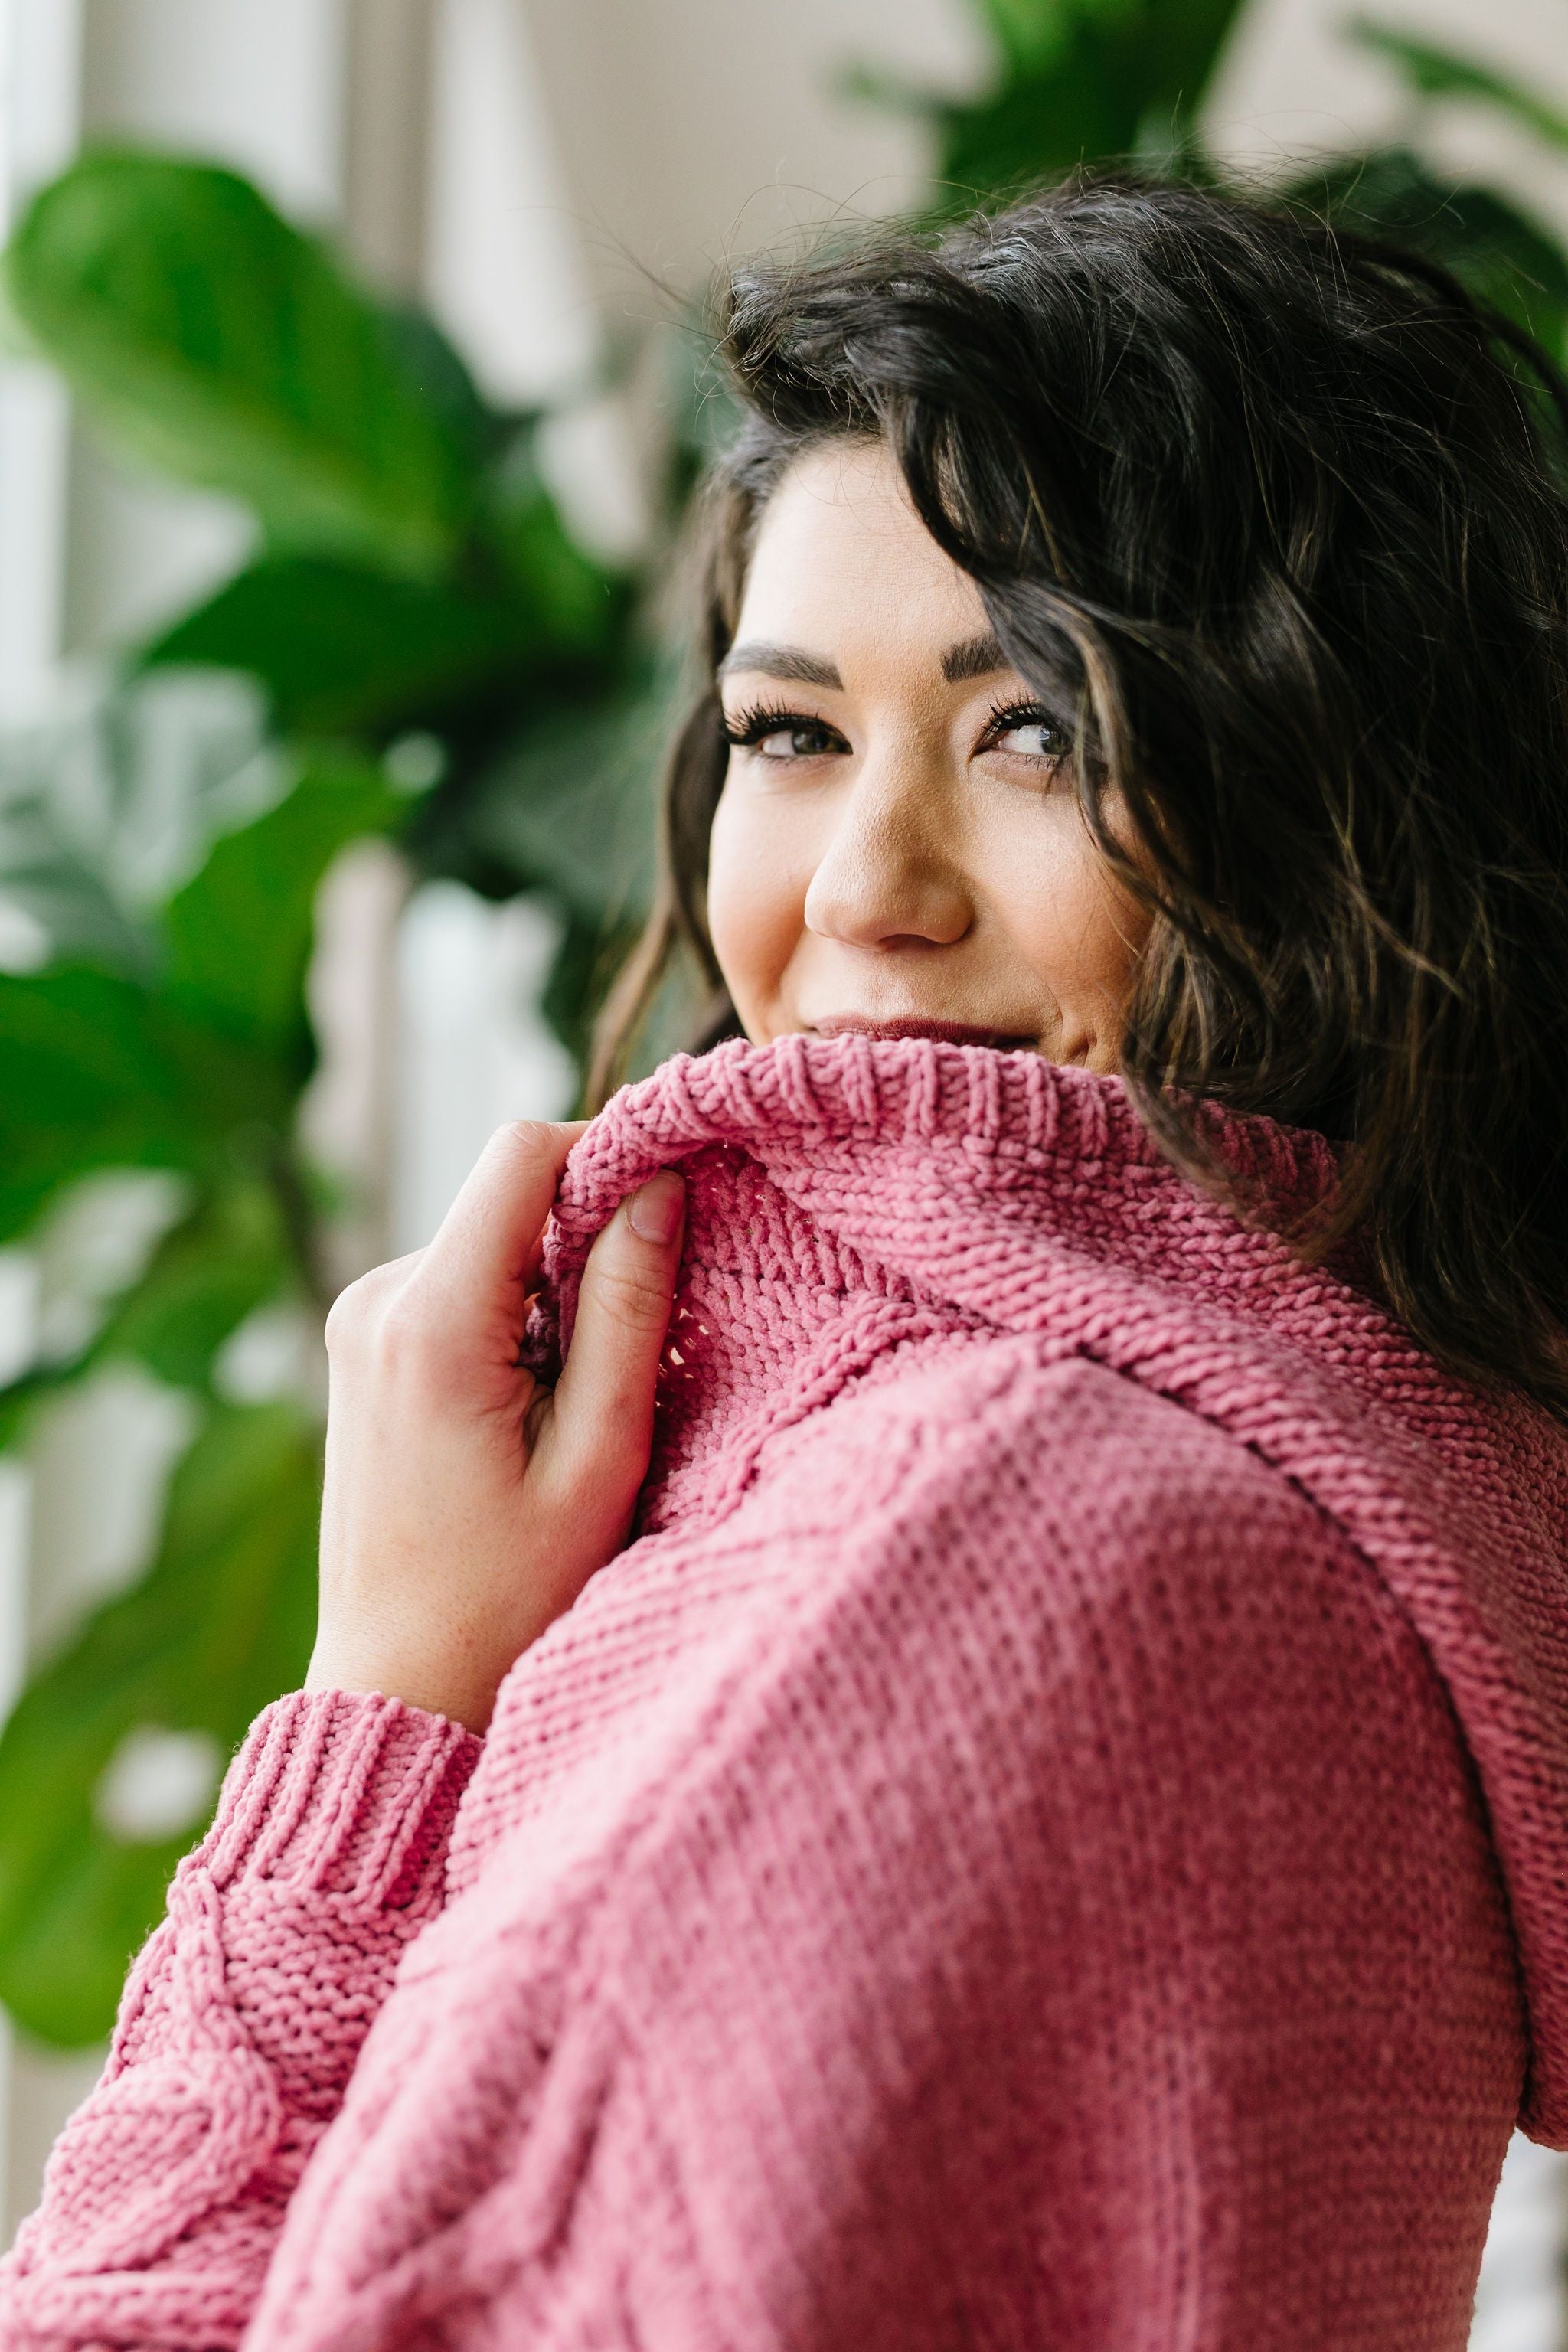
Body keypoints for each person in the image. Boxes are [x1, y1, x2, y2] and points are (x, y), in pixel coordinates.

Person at [5, 171, 1568, 2352]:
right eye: (792, 735)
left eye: (1042, 731)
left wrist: (381, 1710)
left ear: (1341, 803)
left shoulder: (961, 1549)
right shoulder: (1339, 1513)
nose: (865, 890)